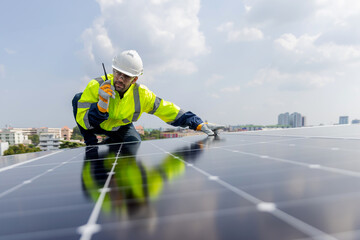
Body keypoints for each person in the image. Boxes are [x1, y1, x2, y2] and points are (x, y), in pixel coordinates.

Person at [72, 50, 224, 146]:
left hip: (121, 128)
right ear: (113, 70)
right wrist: (101, 105)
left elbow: (168, 110)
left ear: (135, 79)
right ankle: (91, 144)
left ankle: (111, 141)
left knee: (134, 145)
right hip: (96, 124)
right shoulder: (96, 86)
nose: (120, 79)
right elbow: (83, 122)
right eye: (118, 73)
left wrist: (198, 123)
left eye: (126, 76)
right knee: (78, 98)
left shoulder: (141, 94)